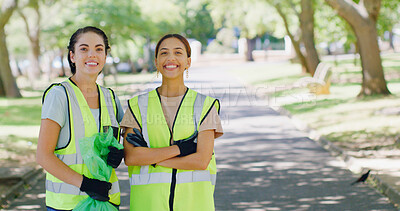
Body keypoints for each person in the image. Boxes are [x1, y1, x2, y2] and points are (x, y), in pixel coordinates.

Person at [121, 34, 223, 211]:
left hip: (194, 205)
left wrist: (151, 158)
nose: (170, 58)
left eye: (178, 52)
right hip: (148, 205)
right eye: (164, 53)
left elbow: (200, 161)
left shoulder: (206, 106)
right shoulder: (137, 106)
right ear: (156, 62)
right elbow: (132, 158)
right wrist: (180, 150)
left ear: (188, 61)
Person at [36, 26, 124, 211]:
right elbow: (43, 155)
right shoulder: (59, 95)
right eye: (84, 49)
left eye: (99, 49)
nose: (92, 54)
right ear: (72, 56)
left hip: (107, 202)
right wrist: (86, 184)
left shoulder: (111, 97)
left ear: (105, 57)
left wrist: (119, 152)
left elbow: (124, 142)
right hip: (68, 205)